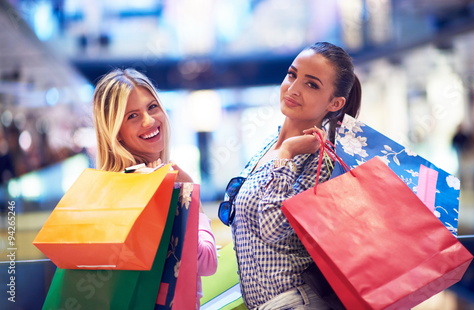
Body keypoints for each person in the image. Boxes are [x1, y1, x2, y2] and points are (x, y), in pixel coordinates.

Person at [220, 42, 362, 309]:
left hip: (295, 302)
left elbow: (274, 228)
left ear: (335, 103)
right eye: (291, 74)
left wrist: (287, 154)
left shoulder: (322, 161)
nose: (293, 88)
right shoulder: (267, 145)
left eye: (312, 85)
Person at [93, 68, 218, 308]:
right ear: (115, 132)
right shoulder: (153, 187)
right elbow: (205, 261)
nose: (149, 120)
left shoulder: (106, 189)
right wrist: (191, 195)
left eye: (152, 107)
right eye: (132, 116)